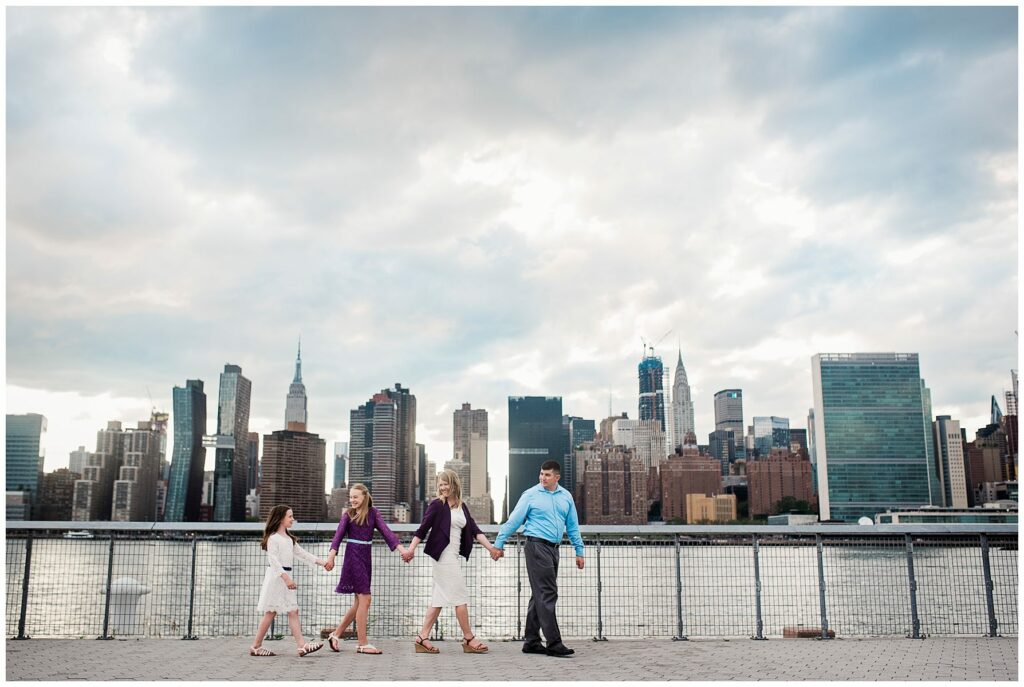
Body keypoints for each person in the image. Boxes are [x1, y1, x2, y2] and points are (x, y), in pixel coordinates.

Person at [493, 460, 584, 658]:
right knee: (548, 593)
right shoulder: (531, 495)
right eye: (541, 474)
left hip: (554, 549)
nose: (543, 477)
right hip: (536, 546)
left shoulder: (566, 497)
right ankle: (554, 643)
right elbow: (514, 520)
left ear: (557, 477)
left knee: (539, 594)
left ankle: (532, 641)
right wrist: (499, 544)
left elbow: (573, 526)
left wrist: (579, 551)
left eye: (547, 475)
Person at [401, 469, 498, 654]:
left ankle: (422, 638)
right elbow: (422, 529)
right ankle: (469, 638)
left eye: (446, 484)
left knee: (438, 599)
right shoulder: (437, 505)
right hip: (443, 555)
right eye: (441, 484)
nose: (443, 487)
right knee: (460, 596)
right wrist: (411, 549)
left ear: (454, 484)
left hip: (452, 555)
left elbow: (475, 531)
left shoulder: (462, 506)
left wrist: (491, 549)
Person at [323, 483, 408, 655]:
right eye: (351, 497)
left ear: (364, 497)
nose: (352, 500)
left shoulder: (373, 513)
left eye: (356, 497)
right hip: (353, 557)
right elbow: (337, 537)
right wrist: (331, 557)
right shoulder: (348, 515)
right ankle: (362, 643)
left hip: (365, 557)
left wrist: (402, 550)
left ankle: (336, 634)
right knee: (365, 599)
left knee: (359, 602)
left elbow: (387, 533)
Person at [250, 505, 326, 657]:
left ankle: (301, 646)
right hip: (277, 578)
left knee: (293, 611)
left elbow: (303, 554)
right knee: (271, 612)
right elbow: (274, 561)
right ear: (280, 518)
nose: (293, 519)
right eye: (290, 516)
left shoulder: (289, 539)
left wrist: (323, 563)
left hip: (285, 578)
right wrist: (286, 579)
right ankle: (256, 646)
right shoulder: (273, 539)